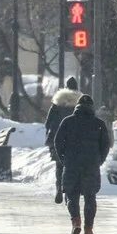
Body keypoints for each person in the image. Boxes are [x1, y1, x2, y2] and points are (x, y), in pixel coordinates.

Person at [54, 93, 111, 234]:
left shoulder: (68, 121)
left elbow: (58, 142)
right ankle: (88, 229)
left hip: (72, 163)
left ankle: (76, 222)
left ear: (77, 107)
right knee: (90, 196)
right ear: (92, 108)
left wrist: (63, 159)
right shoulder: (99, 124)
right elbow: (105, 145)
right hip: (91, 165)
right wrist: (99, 160)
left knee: (71, 195)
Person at [45, 76, 81, 204]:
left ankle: (59, 189)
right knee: (72, 166)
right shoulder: (80, 104)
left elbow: (48, 122)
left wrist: (50, 136)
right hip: (74, 141)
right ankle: (69, 192)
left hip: (57, 139)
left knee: (59, 166)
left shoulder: (57, 102)